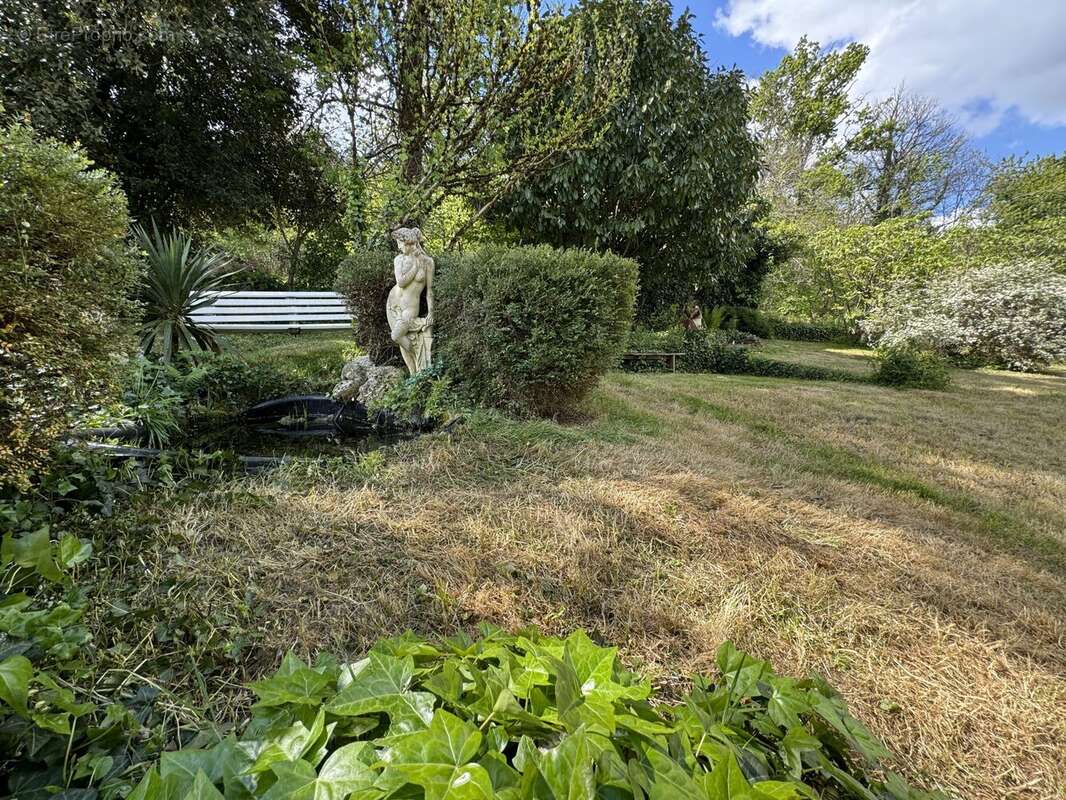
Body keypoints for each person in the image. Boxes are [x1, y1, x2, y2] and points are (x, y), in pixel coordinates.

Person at [387, 227, 434, 374]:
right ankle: (413, 374)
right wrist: (414, 266)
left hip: (410, 309)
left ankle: (421, 361)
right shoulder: (399, 259)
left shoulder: (427, 262)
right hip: (393, 304)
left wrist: (431, 312)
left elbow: (429, 291)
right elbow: (401, 282)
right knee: (402, 339)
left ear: (408, 243)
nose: (399, 246)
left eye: (400, 243)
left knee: (396, 335)